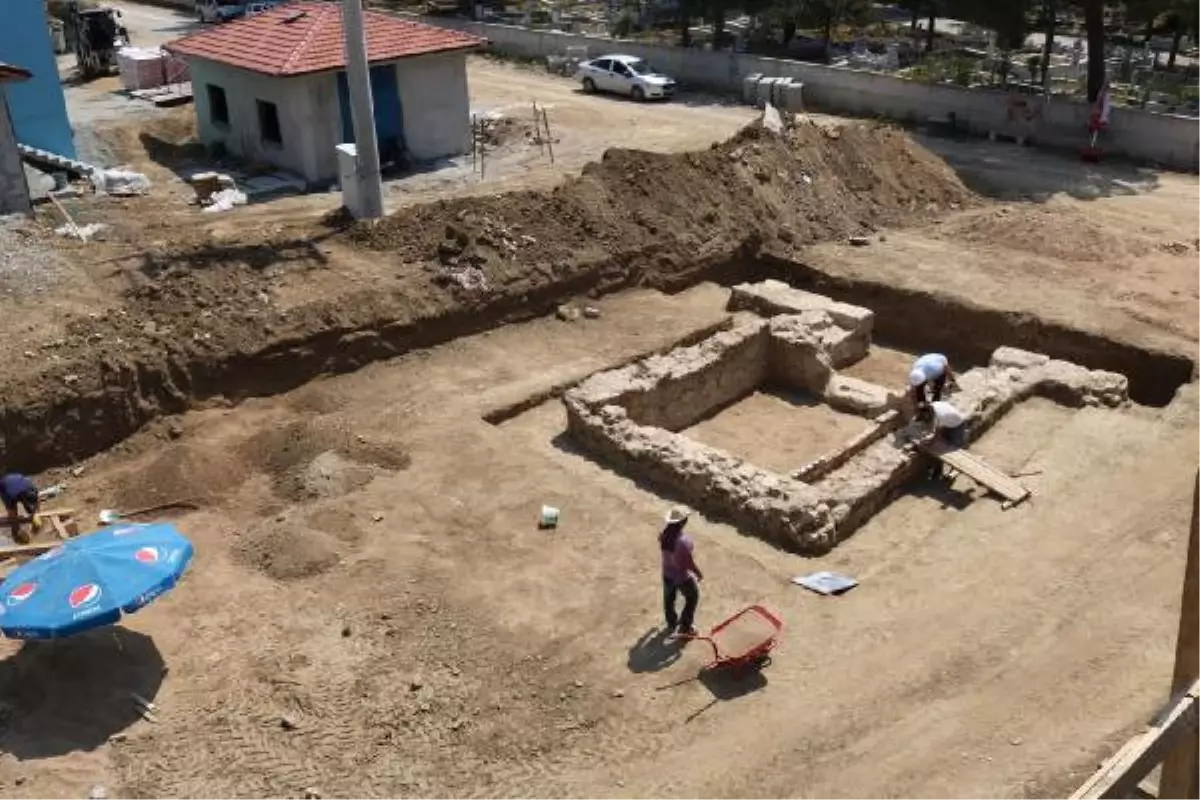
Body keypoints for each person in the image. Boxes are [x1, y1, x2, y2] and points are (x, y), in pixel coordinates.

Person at [660, 506, 703, 637]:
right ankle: (685, 627)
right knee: (692, 597)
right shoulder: (683, 542)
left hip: (667, 574)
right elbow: (688, 563)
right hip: (681, 577)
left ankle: (671, 622)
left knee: (669, 599)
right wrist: (698, 573)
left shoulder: (664, 535)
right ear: (683, 522)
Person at [916, 401, 969, 480]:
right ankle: (938, 470)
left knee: (954, 450)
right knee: (940, 449)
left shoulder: (939, 416)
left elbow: (937, 435)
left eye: (925, 415)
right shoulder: (932, 406)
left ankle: (954, 471)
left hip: (958, 425)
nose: (924, 417)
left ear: (929, 412)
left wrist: (930, 443)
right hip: (947, 423)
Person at [0, 473, 39, 545]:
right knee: (14, 512)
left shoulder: (33, 490)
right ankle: (17, 531)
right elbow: (12, 511)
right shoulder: (11, 492)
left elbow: (36, 503)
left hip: (18, 487)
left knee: (27, 510)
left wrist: (36, 515)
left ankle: (17, 531)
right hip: (24, 488)